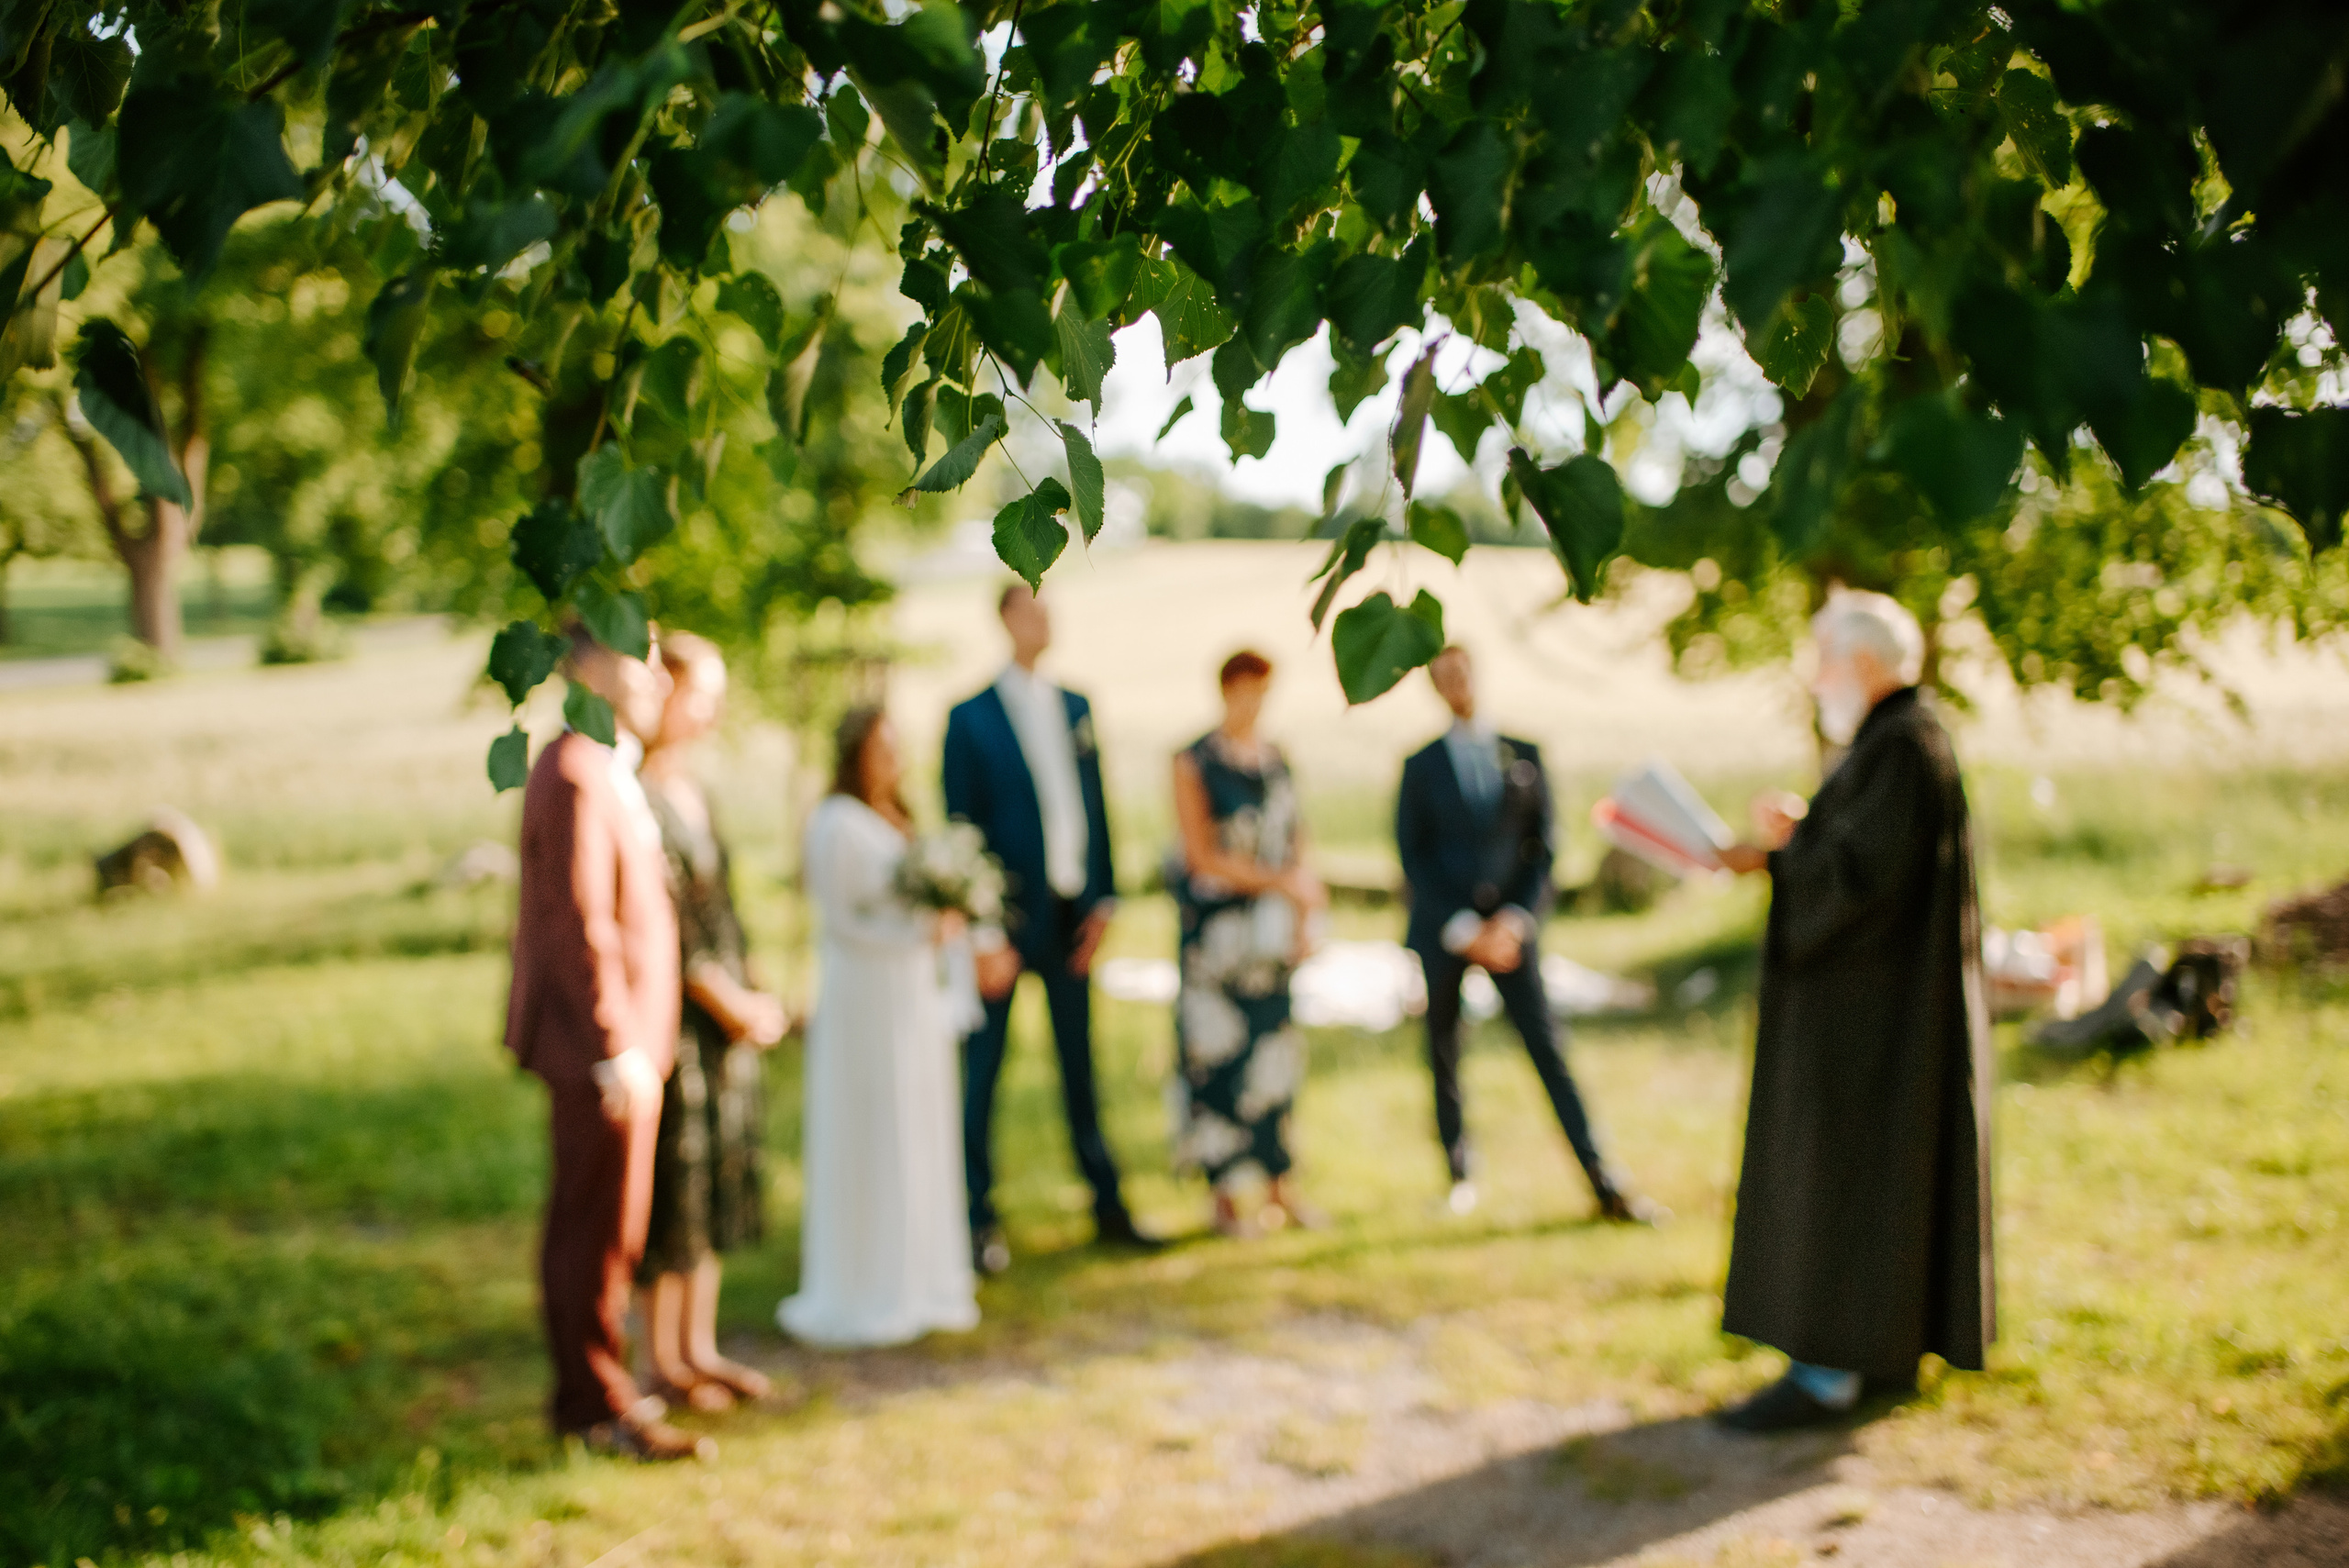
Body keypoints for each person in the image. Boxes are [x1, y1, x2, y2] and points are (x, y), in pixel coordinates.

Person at [1711, 589, 1995, 1432]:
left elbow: (1860, 885)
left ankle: (1827, 1370)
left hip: (1870, 1024)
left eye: (1824, 661)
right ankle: (1872, 1353)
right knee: (1876, 1187)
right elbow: (1868, 854)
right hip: (1881, 1014)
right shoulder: (1897, 739)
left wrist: (1774, 857)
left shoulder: (1902, 744)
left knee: (1845, 1182)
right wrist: (1803, 834)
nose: (1815, 680)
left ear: (1864, 663)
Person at [504, 626, 710, 1462]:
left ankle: (604, 1392)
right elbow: (577, 922)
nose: (658, 677)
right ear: (590, 666)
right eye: (641, 658)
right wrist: (613, 1045)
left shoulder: (607, 764)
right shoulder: (573, 771)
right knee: (592, 1229)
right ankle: (594, 1407)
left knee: (616, 1229)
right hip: (599, 1049)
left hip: (630, 1044)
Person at [1396, 644, 1657, 1224]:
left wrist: (1515, 919)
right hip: (1447, 931)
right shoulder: (1420, 765)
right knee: (1444, 1050)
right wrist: (1463, 927)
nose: (1455, 684)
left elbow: (1544, 846)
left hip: (1513, 929)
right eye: (1443, 676)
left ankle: (1602, 1177)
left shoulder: (1523, 751)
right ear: (1434, 687)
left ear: (1476, 674)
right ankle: (1459, 1173)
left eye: (1461, 672)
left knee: (1547, 1047)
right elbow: (1413, 856)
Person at [942, 584, 1160, 1275]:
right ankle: (976, 1219)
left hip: (1072, 914)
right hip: (1006, 922)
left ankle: (1107, 1205)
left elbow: (1097, 804)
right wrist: (985, 934)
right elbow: (961, 830)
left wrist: (1105, 899)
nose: (1046, 620)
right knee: (985, 1071)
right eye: (1033, 609)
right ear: (1006, 620)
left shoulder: (1076, 706)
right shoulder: (970, 718)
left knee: (1080, 1067)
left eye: (1049, 609)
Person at [779, 706, 981, 1348]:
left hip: (911, 996)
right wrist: (921, 932)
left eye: (897, 746)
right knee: (874, 1123)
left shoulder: (898, 817)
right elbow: (843, 922)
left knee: (918, 1123)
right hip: (865, 997)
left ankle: (922, 1274)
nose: (894, 760)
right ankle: (866, 1279)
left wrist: (944, 924)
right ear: (854, 753)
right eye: (881, 748)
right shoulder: (835, 823)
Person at [635, 633, 787, 1409]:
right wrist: (731, 1003)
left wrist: (757, 991)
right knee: (677, 1181)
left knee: (717, 1175)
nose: (712, 712)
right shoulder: (638, 795)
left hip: (726, 1015)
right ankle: (660, 1358)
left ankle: (700, 1347)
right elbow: (669, 927)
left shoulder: (696, 790)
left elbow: (721, 908)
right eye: (702, 695)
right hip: (680, 1019)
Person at [1170, 650, 1328, 1237]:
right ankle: (1224, 1197)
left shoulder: (1278, 759)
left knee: (1275, 1055)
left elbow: (1297, 841)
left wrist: (1305, 911)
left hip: (1270, 937)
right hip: (1216, 938)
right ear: (1226, 690)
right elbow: (1201, 855)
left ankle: (1280, 1187)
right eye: (1246, 690)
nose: (1255, 702)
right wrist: (1279, 883)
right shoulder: (1193, 760)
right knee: (1215, 1058)